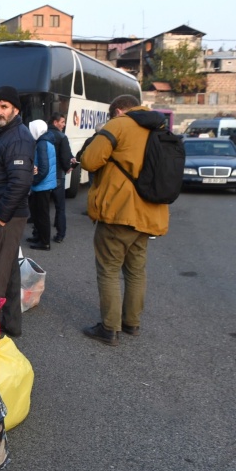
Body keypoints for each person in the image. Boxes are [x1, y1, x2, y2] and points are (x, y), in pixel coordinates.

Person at [80, 94, 170, 346]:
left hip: (119, 212)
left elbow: (89, 160)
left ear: (118, 111)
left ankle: (109, 328)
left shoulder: (119, 124)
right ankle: (132, 323)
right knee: (136, 271)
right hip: (148, 213)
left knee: (108, 270)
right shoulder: (158, 127)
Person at [0, 85, 34, 338]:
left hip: (6, 217)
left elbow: (20, 183)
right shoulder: (4, 134)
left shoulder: (18, 137)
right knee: (8, 271)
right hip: (2, 214)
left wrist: (0, 218)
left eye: (4, 107)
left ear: (16, 110)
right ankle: (10, 325)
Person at [25, 120, 57, 251]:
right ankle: (39, 237)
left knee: (42, 215)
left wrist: (34, 180)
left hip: (42, 185)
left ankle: (44, 242)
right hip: (44, 183)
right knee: (38, 213)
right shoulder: (46, 141)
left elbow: (43, 168)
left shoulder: (42, 143)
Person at [47, 113, 75, 243]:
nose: (64, 125)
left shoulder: (43, 135)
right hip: (58, 176)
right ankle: (60, 234)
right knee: (60, 207)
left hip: (44, 176)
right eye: (62, 122)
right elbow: (65, 157)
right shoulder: (62, 137)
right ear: (55, 122)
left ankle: (40, 233)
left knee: (42, 206)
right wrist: (68, 166)